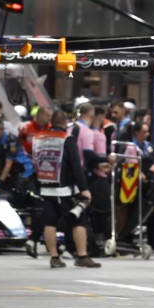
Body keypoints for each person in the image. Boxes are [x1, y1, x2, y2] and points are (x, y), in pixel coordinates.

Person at [34, 109, 100, 269]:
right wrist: (84, 189)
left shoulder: (39, 138)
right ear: (65, 123)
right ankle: (82, 256)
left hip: (45, 186)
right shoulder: (67, 139)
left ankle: (54, 258)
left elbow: (35, 162)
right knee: (79, 220)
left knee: (50, 222)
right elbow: (76, 166)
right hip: (64, 189)